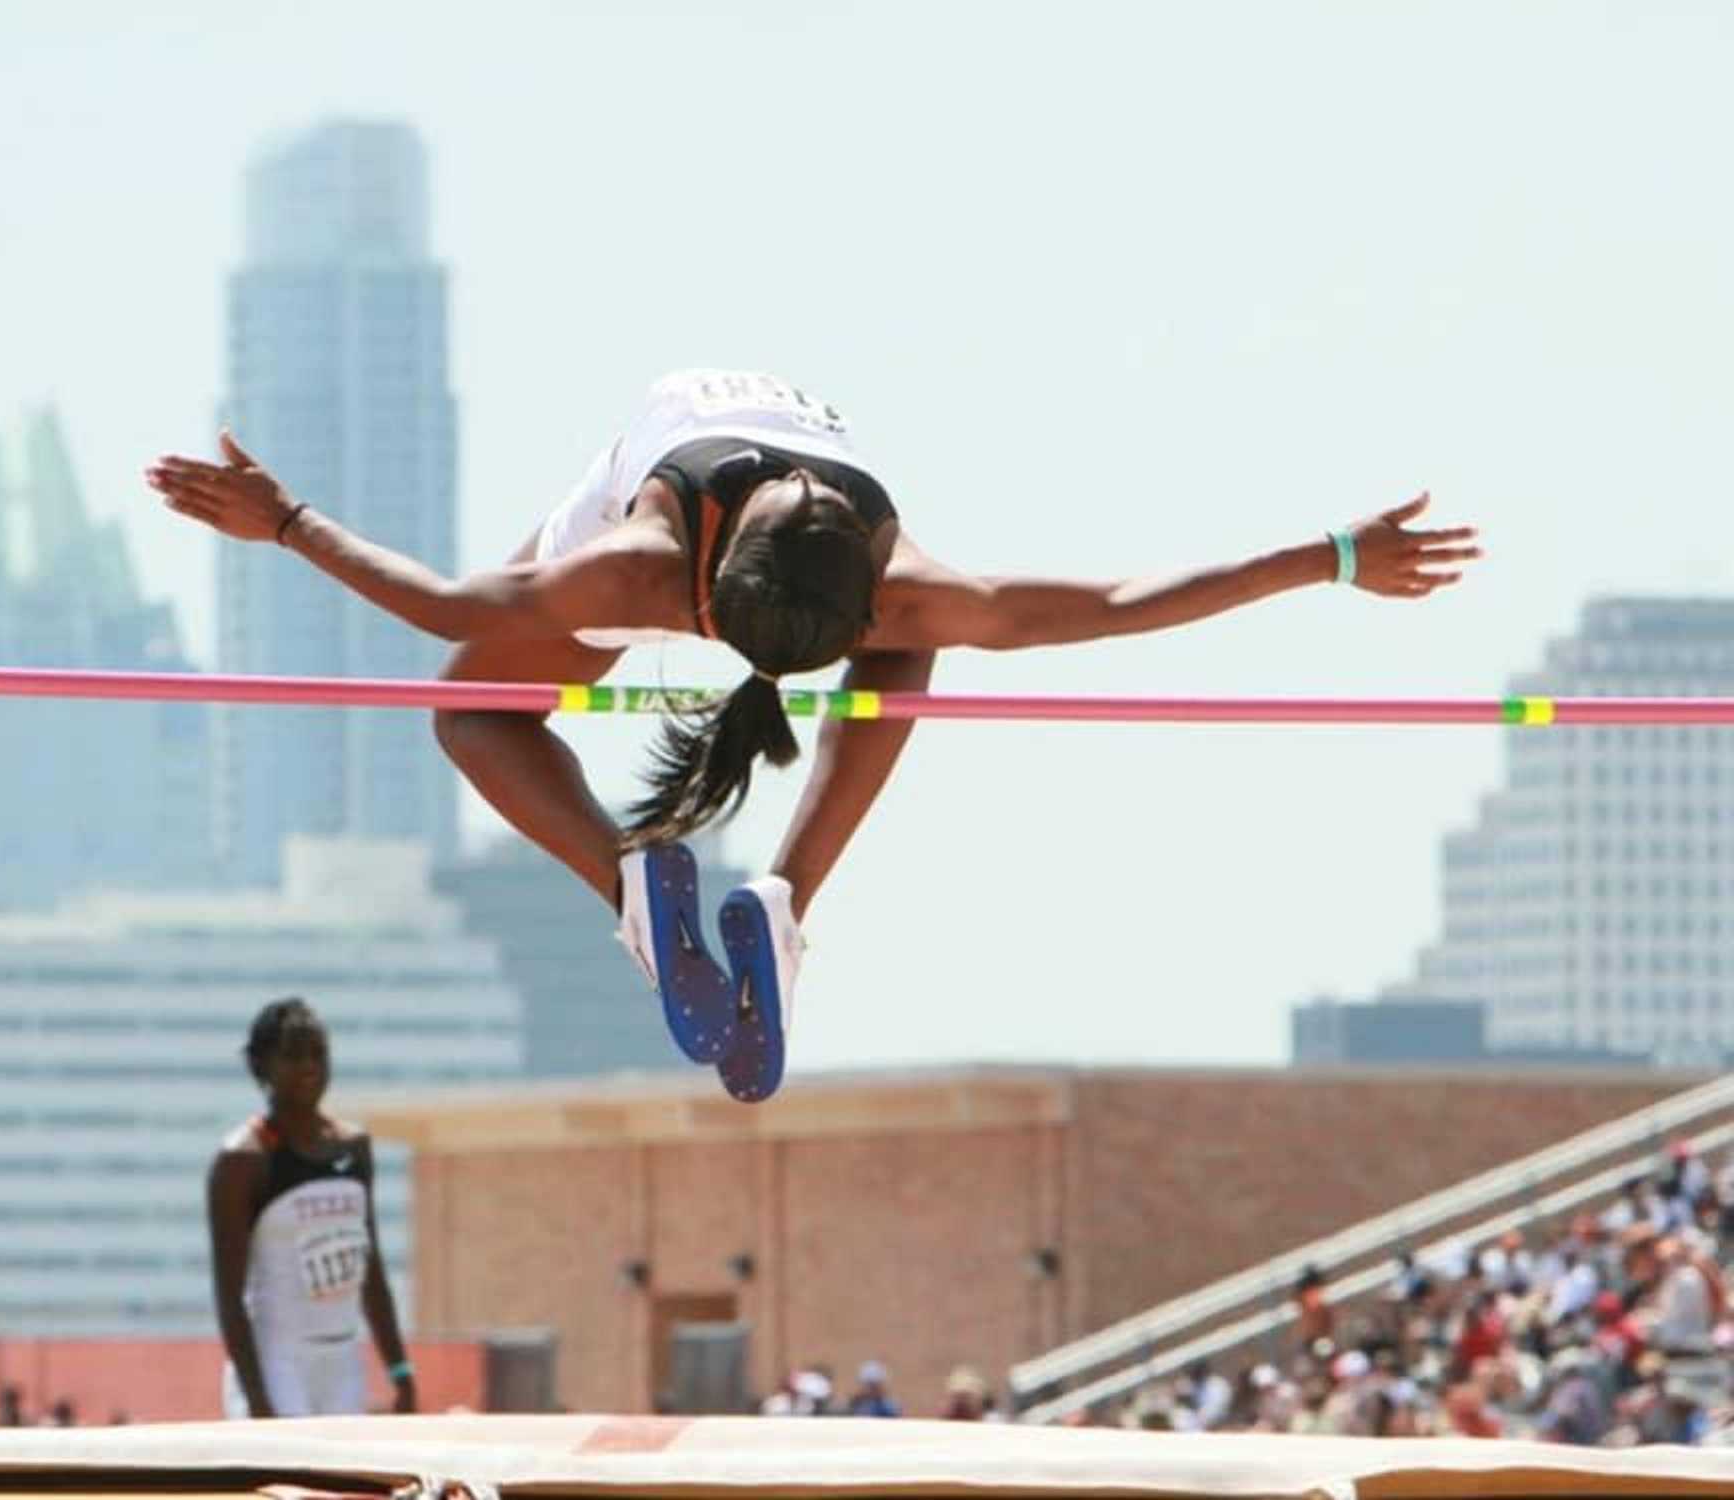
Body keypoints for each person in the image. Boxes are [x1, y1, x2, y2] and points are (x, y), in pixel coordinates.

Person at [150, 369, 1478, 1102]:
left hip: (744, 560)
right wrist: (1331, 557)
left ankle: (633, 883)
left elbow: (441, 603)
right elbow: (1120, 605)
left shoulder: (725, 572)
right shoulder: (693, 561)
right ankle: (780, 896)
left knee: (469, 710)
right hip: (722, 527)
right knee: (924, 650)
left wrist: (285, 521)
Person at [208, 997, 416, 1418]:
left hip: (341, 1360)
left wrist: (399, 1369)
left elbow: (369, 1269)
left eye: (319, 1054)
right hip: (278, 1361)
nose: (309, 1067)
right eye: (293, 1055)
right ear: (263, 1066)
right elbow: (229, 1298)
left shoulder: (353, 1146)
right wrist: (257, 1400)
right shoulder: (242, 1160)